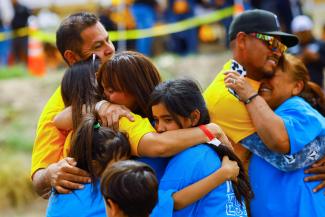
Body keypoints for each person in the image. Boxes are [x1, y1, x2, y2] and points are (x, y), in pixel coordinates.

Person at [52, 51, 230, 191]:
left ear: (135, 89)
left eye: (111, 89)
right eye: (104, 89)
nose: (105, 94)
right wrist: (100, 106)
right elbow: (60, 119)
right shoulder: (120, 116)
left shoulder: (159, 113)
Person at [203, 9, 325, 190]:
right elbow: (287, 157)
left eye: (281, 46)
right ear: (243, 41)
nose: (278, 52)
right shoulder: (228, 95)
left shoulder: (260, 80)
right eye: (271, 42)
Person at [225, 53, 325, 216]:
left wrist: (250, 96)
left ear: (297, 87)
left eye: (270, 75)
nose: (262, 81)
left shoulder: (297, 107)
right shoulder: (263, 114)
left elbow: (282, 143)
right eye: (259, 76)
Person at [31, 12, 116, 198]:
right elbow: (39, 180)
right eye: (98, 46)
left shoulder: (128, 76)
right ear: (72, 57)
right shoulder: (56, 107)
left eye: (108, 40)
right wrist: (52, 173)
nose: (110, 49)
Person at [149, 79, 252, 217]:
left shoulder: (189, 157)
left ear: (194, 117)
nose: (159, 128)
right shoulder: (215, 148)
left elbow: (162, 209)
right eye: (156, 120)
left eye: (168, 120)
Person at [46, 113, 131, 217]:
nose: (127, 167)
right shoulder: (107, 191)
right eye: (120, 163)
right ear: (94, 165)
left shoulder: (62, 185)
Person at [289, 15, 325, 88]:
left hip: (317, 85)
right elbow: (287, 68)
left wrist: (317, 58)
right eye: (300, 32)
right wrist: (301, 59)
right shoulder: (291, 48)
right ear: (295, 33)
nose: (303, 35)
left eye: (305, 32)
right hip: (297, 87)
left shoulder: (321, 44)